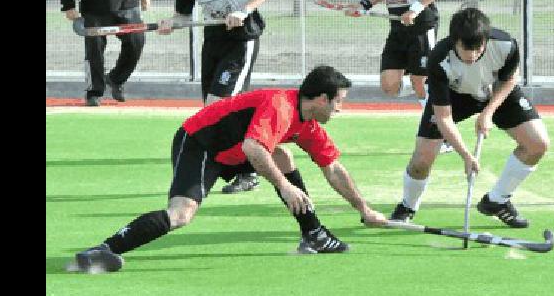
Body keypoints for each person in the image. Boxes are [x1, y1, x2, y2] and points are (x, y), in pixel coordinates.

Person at [70, 65, 389, 273]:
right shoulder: (280, 105)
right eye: (339, 102)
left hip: (235, 153)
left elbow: (334, 169)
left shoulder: (307, 124)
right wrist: (285, 186)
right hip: (201, 143)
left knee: (283, 158)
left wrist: (365, 209)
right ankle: (103, 250)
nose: (340, 108)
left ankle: (314, 235)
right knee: (181, 214)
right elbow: (254, 147)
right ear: (321, 99)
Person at [388, 7, 550, 229]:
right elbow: (444, 117)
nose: (473, 55)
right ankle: (408, 205)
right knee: (422, 159)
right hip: (455, 97)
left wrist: (488, 112)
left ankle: (497, 201)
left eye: (478, 48)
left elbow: (509, 80)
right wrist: (466, 155)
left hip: (495, 91)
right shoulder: (439, 59)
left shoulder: (506, 45)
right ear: (455, 41)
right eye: (467, 49)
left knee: (537, 144)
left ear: (485, 39)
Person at [156, 0, 280, 194]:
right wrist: (170, 23)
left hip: (242, 38)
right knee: (214, 110)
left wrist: (245, 9)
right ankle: (244, 164)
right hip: (213, 39)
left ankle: (247, 171)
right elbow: (184, 15)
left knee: (220, 106)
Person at [317, 0, 453, 152]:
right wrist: (365, 4)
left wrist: (415, 8)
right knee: (389, 86)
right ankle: (433, 92)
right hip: (397, 25)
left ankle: (440, 134)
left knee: (421, 82)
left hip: (421, 23)